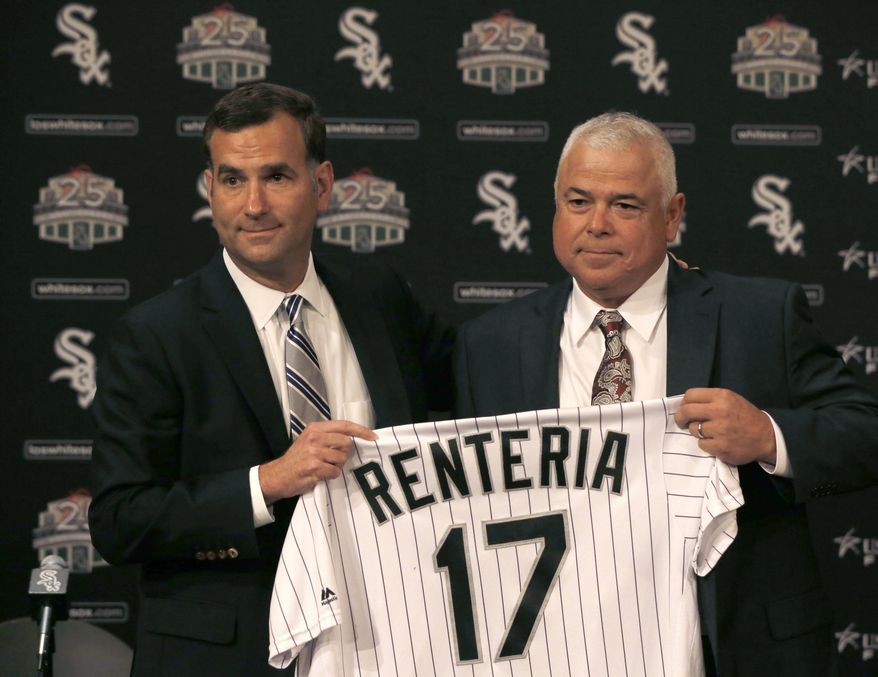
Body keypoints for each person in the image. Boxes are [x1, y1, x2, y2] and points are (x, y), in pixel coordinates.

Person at [454, 111, 878, 676]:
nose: (597, 224)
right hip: (554, 647)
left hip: (730, 648)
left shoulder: (760, 315)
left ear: (672, 215)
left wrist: (769, 437)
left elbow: (865, 434)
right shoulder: (491, 344)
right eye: (578, 202)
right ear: (555, 208)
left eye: (625, 205)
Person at [88, 83, 452, 676]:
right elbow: (119, 520)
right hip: (225, 658)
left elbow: (488, 387)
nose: (252, 204)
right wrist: (269, 482)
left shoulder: (379, 299)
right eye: (232, 180)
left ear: (323, 184)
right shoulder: (156, 335)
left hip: (387, 641)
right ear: (211, 189)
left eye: (277, 177)